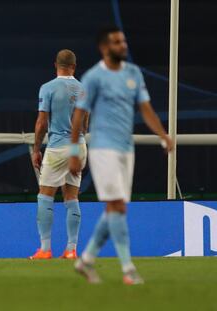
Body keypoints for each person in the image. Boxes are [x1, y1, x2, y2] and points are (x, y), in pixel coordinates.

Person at [69, 26, 173, 284]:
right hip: (103, 148)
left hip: (127, 148)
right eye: (117, 42)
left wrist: (163, 134)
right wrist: (73, 151)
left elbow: (145, 108)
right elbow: (79, 116)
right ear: (105, 48)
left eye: (123, 41)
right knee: (117, 206)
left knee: (116, 208)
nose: (123, 45)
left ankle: (87, 259)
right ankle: (128, 269)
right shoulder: (93, 77)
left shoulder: (133, 74)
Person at [30, 49, 89, 260]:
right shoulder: (84, 89)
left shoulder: (48, 88)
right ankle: (71, 249)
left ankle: (45, 249)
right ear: (74, 66)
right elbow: (86, 124)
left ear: (56, 64)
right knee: (72, 196)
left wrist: (36, 149)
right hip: (79, 146)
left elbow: (41, 123)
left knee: (45, 195)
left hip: (57, 147)